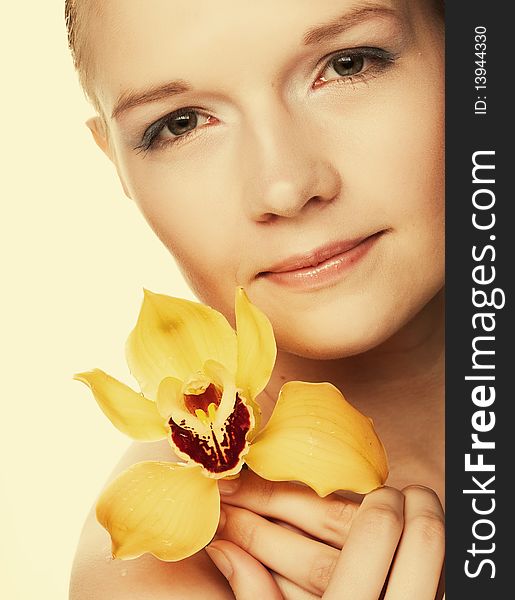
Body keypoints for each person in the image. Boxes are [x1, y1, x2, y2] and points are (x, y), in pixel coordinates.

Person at [67, 0, 445, 598]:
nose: (286, 187)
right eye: (182, 122)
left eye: (347, 64)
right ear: (117, 166)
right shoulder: (159, 579)